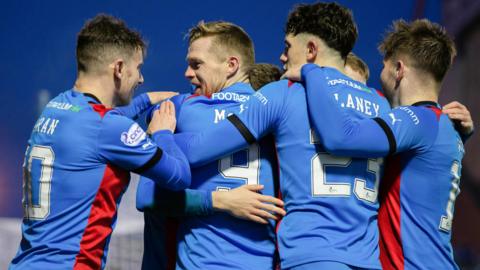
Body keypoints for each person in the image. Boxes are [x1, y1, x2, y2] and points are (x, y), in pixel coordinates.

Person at [171, 3, 394, 269]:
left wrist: (160, 131)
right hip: (367, 260)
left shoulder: (283, 93)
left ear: (310, 50)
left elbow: (195, 149)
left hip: (311, 257)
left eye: (288, 47)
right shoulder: (381, 105)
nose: (282, 56)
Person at [10, 14, 191, 270]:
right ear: (118, 68)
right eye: (137, 68)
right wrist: (163, 133)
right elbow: (178, 176)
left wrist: (144, 100)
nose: (140, 79)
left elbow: (101, 124)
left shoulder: (56, 107)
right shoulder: (108, 128)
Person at [298, 18, 472, 269]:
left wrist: (312, 72)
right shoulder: (446, 128)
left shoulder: (416, 120)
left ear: (398, 69)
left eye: (384, 66)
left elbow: (340, 137)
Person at [136, 21, 285, 270]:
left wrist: (156, 121)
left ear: (231, 65)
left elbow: (145, 196)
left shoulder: (184, 109)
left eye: (196, 64)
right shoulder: (280, 114)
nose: (187, 73)